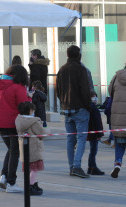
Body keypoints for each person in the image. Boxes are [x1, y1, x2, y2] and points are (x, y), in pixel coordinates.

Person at [56, 45, 93, 178]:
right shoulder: (81, 69)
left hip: (67, 109)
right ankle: (77, 166)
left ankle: (72, 166)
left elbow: (58, 91)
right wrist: (88, 105)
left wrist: (64, 103)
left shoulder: (62, 70)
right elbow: (84, 89)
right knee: (81, 138)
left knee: (70, 139)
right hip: (80, 108)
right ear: (79, 55)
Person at [0, 65, 31, 193]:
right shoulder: (18, 87)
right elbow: (24, 106)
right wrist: (30, 97)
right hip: (13, 124)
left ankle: (4, 176)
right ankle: (11, 182)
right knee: (15, 152)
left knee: (11, 150)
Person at [15, 102, 47, 195]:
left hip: (24, 149)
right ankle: (31, 185)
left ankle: (28, 184)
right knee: (34, 169)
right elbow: (42, 133)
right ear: (30, 111)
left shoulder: (18, 120)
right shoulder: (34, 122)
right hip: (34, 149)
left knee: (28, 169)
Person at [86, 94, 105, 175]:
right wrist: (99, 134)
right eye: (93, 96)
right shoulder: (94, 108)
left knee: (92, 150)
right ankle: (93, 167)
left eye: (96, 96)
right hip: (94, 133)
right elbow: (97, 122)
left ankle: (91, 167)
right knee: (93, 150)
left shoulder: (88, 107)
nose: (95, 98)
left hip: (90, 132)